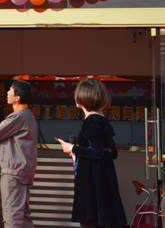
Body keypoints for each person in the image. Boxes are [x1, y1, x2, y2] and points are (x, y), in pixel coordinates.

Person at [57, 78, 126, 228]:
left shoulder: (91, 121)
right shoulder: (102, 120)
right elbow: (111, 153)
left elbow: (97, 152)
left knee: (91, 223)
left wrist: (72, 148)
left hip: (92, 188)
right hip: (104, 184)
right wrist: (77, 152)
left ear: (81, 98)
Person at [0, 80, 38, 228]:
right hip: (22, 172)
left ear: (17, 98)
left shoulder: (18, 116)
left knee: (12, 217)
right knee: (23, 217)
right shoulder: (28, 116)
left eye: (10, 90)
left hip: (14, 173)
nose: (7, 92)